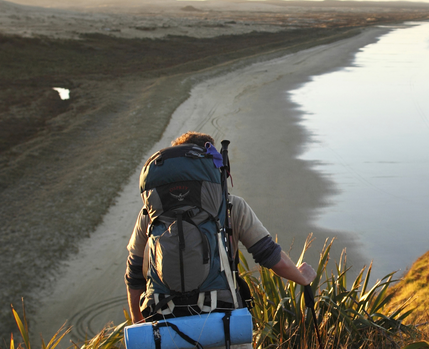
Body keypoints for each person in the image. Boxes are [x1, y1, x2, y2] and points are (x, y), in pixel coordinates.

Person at [125, 131, 317, 324]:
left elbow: (134, 274)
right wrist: (301, 277)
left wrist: (138, 323)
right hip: (221, 318)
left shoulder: (150, 213)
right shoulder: (231, 206)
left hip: (163, 319)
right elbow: (271, 256)